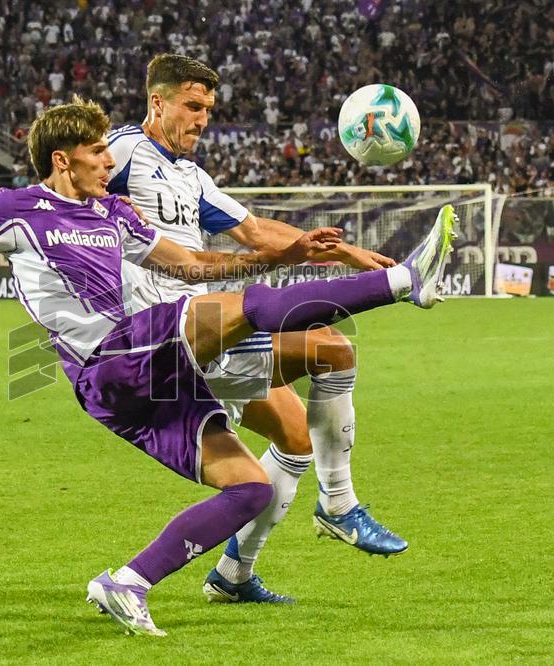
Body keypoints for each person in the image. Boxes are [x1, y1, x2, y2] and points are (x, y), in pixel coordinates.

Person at [0, 98, 455, 636]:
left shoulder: (112, 214)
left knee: (250, 489)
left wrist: (290, 254)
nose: (109, 162)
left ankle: (127, 582)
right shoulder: (16, 207)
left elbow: (196, 265)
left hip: (145, 372)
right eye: (97, 152)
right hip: (110, 359)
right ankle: (406, 282)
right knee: (253, 307)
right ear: (63, 160)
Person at [107, 53, 406, 604]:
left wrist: (345, 252)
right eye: (191, 106)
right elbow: (63, 182)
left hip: (208, 331)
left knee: (295, 436)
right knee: (331, 349)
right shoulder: (123, 150)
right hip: (162, 337)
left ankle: (234, 576)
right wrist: (98, 203)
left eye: (208, 110)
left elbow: (254, 230)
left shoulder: (190, 175)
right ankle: (338, 504)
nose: (201, 120)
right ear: (157, 101)